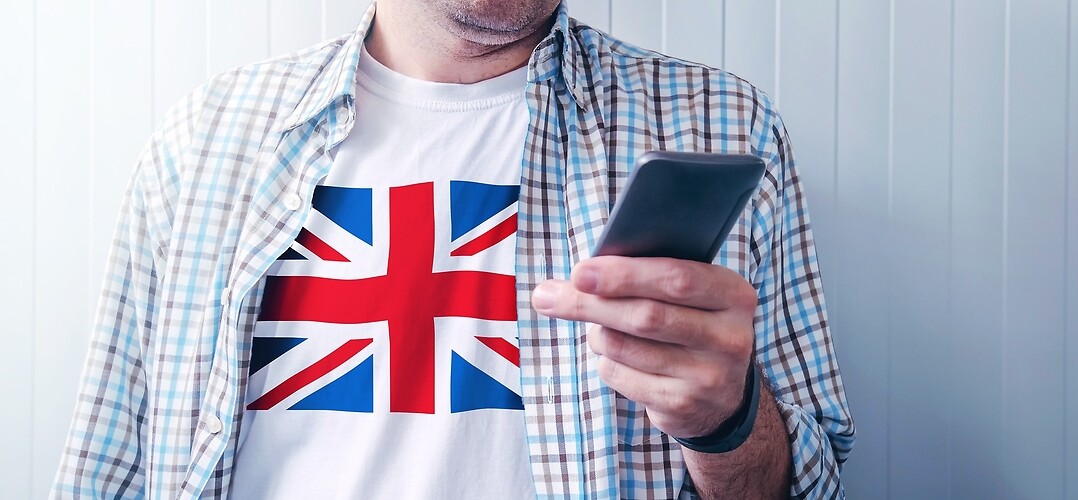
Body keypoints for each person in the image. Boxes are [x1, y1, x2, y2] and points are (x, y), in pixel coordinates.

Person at [52, 0, 853, 498]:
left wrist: (726, 421)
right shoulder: (207, 139)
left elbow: (809, 483)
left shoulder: (717, 121)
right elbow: (104, 470)